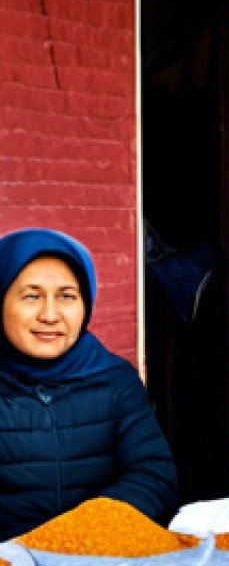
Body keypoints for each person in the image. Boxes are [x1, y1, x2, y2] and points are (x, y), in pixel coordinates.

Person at [0, 228, 177, 540]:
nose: (50, 315)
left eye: (67, 296)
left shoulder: (114, 379)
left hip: (100, 555)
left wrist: (85, 531)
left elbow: (152, 474)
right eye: (32, 296)